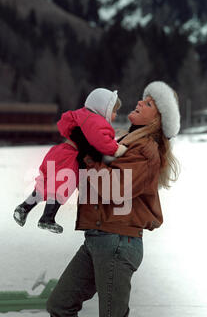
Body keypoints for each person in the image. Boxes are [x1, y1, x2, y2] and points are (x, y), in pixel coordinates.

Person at [42, 81, 181, 317]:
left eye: (148, 103)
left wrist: (86, 153)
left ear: (157, 120)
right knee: (60, 304)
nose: (138, 102)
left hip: (119, 242)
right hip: (98, 238)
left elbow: (113, 188)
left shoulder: (146, 148)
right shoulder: (123, 142)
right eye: (142, 98)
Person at [13, 88, 127, 233]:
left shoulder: (81, 116)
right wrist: (116, 149)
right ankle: (47, 218)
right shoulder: (95, 121)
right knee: (61, 186)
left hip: (58, 151)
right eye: (114, 111)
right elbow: (101, 141)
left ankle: (23, 208)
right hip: (69, 156)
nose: (115, 115)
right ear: (103, 108)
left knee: (45, 183)